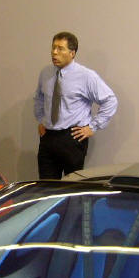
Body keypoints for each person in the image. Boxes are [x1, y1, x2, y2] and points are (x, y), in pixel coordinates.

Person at [33, 31, 117, 179]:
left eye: (60, 48)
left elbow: (110, 100)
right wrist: (41, 119)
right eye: (53, 47)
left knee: (72, 185)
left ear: (72, 53)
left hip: (72, 138)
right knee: (46, 186)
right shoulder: (46, 73)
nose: (54, 52)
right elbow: (39, 97)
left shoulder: (86, 76)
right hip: (48, 137)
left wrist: (93, 127)